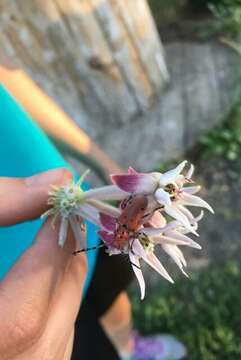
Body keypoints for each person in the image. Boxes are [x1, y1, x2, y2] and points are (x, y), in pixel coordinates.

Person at [0, 63, 186, 359]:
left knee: (111, 287)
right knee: (75, 339)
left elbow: (6, 74)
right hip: (14, 289)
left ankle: (127, 347)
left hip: (80, 211)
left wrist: (107, 166)